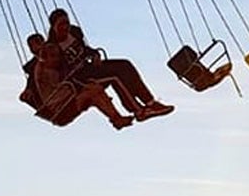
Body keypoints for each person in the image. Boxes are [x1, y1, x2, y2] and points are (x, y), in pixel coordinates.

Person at [44, 9, 175, 122]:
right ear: (53, 26)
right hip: (78, 80)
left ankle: (150, 102)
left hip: (89, 69)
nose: (65, 27)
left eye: (66, 23)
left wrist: (94, 54)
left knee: (124, 66)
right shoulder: (52, 47)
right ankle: (138, 110)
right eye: (61, 24)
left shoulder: (75, 32)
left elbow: (86, 49)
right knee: (114, 76)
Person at [21, 33, 133, 129]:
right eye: (53, 56)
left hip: (68, 98)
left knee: (95, 89)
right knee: (93, 90)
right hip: (60, 108)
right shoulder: (39, 66)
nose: (56, 59)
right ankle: (117, 118)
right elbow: (35, 76)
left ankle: (116, 118)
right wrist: (28, 90)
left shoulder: (49, 60)